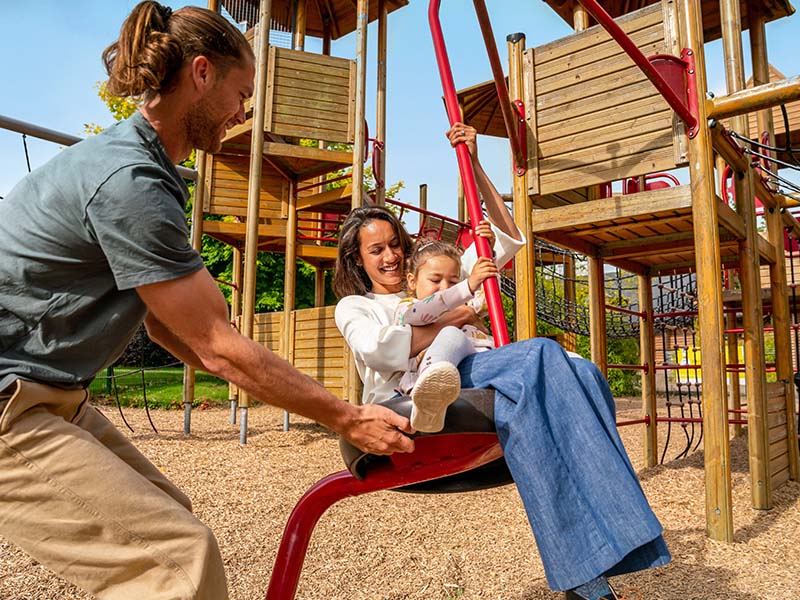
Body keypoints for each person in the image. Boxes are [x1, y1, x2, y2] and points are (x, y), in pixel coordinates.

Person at [0, 2, 413, 599]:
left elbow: (174, 331)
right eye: (241, 92)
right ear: (201, 74)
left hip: (50, 393)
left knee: (171, 513)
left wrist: (271, 379)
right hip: (9, 402)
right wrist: (346, 416)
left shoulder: (143, 169)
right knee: (176, 565)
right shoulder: (129, 182)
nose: (244, 111)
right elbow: (216, 346)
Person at [333, 123, 671, 600]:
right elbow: (380, 349)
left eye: (394, 245)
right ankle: (620, 526)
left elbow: (507, 239)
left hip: (469, 376)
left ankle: (587, 579)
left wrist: (473, 163)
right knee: (541, 353)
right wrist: (452, 315)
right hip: (410, 396)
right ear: (358, 259)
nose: (389, 255)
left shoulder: (436, 277)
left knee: (585, 372)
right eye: (376, 250)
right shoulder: (357, 306)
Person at [394, 236, 498, 432]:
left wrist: (488, 256)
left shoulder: (466, 304)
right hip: (442, 372)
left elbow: (487, 298)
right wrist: (466, 287)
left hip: (481, 360)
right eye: (435, 280)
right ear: (412, 280)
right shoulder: (408, 307)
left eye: (453, 281)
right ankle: (430, 393)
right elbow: (425, 312)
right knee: (451, 334)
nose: (445, 287)